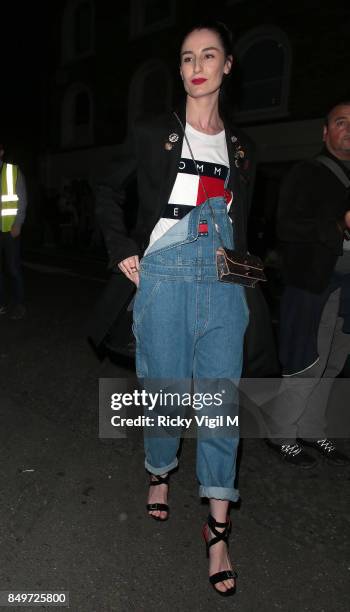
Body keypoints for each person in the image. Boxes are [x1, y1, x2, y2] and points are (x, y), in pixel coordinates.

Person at [94, 20, 260, 596]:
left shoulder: (240, 148)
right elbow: (106, 190)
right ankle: (159, 470)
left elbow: (240, 226)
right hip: (163, 275)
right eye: (188, 56)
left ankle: (218, 529)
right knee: (165, 393)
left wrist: (246, 282)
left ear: (227, 66)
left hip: (221, 283)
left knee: (219, 404)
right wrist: (123, 253)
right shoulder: (152, 133)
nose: (197, 65)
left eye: (209, 55)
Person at [266, 101, 350, 467]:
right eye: (341, 122)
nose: (348, 130)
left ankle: (313, 428)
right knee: (306, 364)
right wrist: (338, 225)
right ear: (325, 131)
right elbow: (285, 227)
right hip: (315, 285)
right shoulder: (307, 172)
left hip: (348, 289)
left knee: (333, 364)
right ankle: (281, 432)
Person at [0, 143, 27, 319]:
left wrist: (18, 223)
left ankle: (18, 305)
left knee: (13, 269)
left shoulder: (12, 171)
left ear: (1, 152)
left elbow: (22, 199)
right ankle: (1, 304)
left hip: (10, 229)